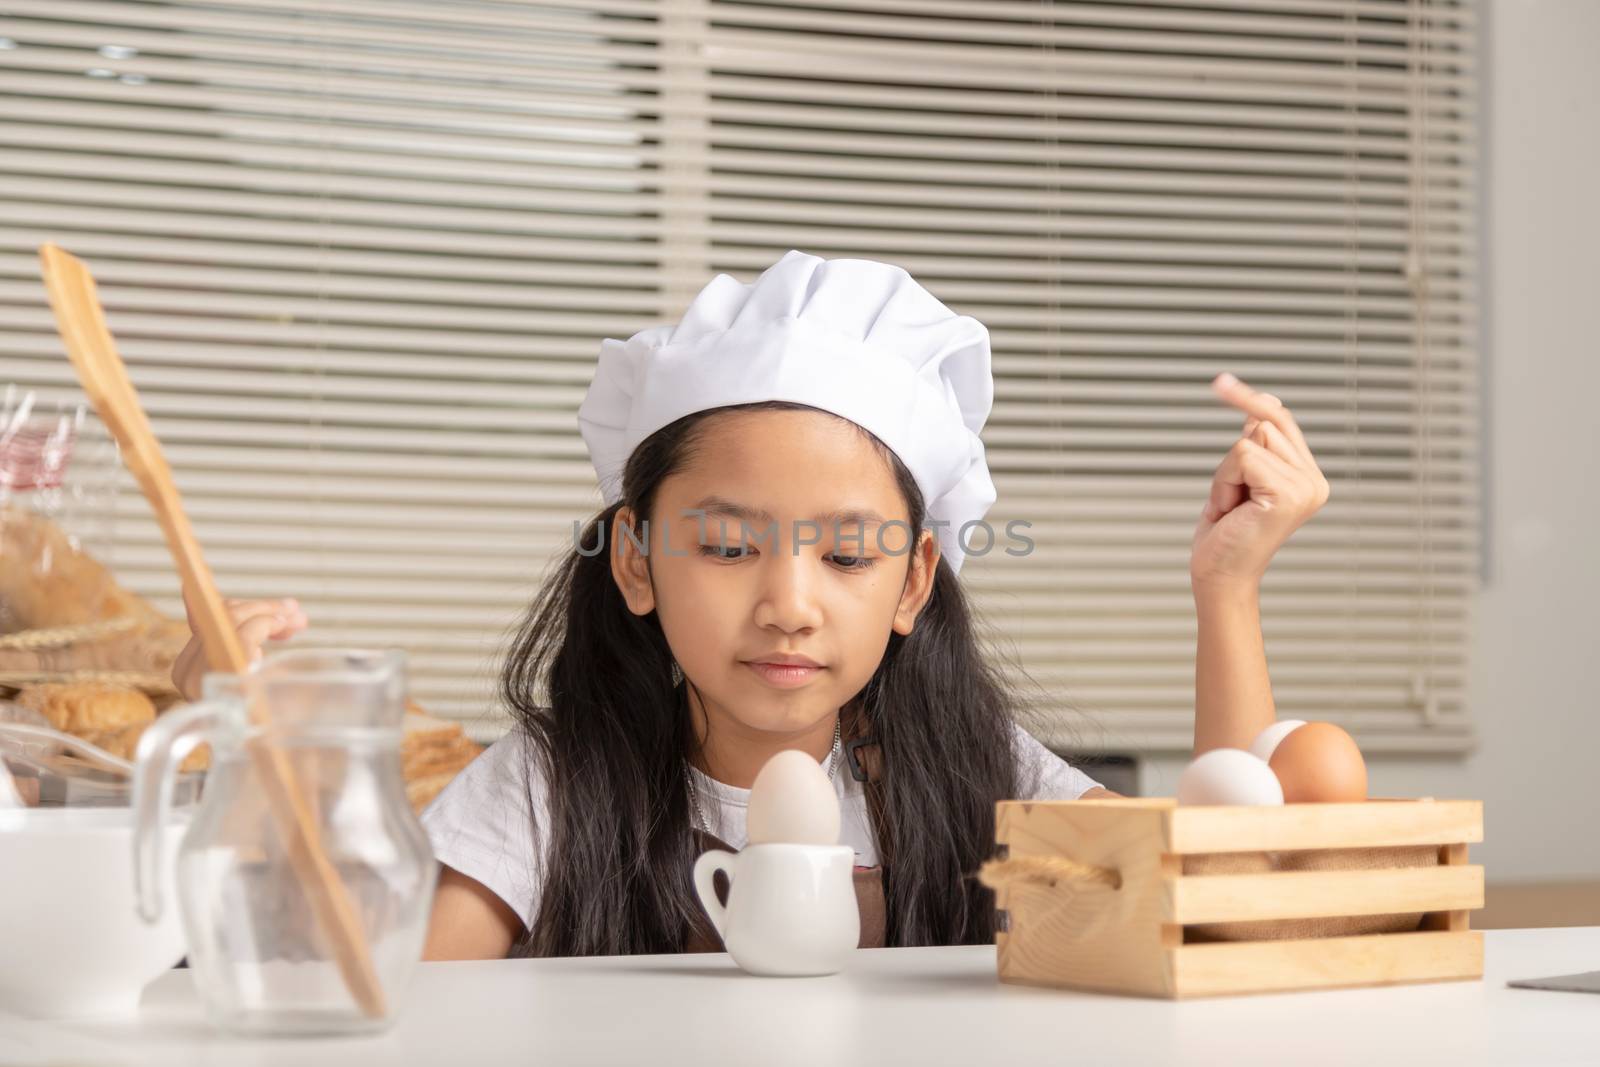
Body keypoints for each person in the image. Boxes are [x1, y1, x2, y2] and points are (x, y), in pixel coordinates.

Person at [172, 250, 1330, 961]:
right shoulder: (550, 783)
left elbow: (1214, 905)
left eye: (845, 554)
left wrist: (1225, 586)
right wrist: (236, 751)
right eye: (727, 545)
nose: (787, 603)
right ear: (635, 560)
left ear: (913, 582)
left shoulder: (985, 772)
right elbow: (383, 986)